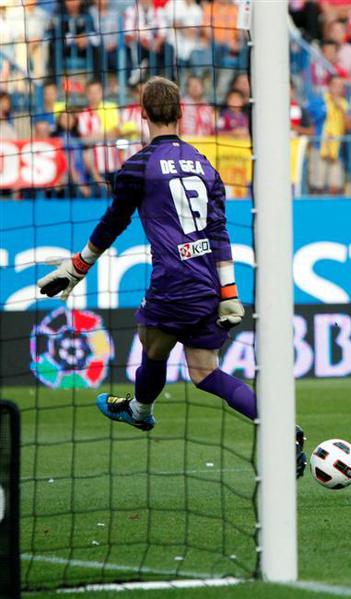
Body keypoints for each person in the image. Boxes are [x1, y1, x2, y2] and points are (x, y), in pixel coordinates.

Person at [35, 77, 307, 478]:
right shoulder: (205, 165)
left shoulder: (138, 166)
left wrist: (79, 266)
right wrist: (229, 293)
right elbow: (219, 231)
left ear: (142, 113)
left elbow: (113, 223)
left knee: (152, 345)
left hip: (173, 282)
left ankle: (140, 411)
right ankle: (282, 430)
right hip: (208, 282)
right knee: (204, 370)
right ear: (181, 112)